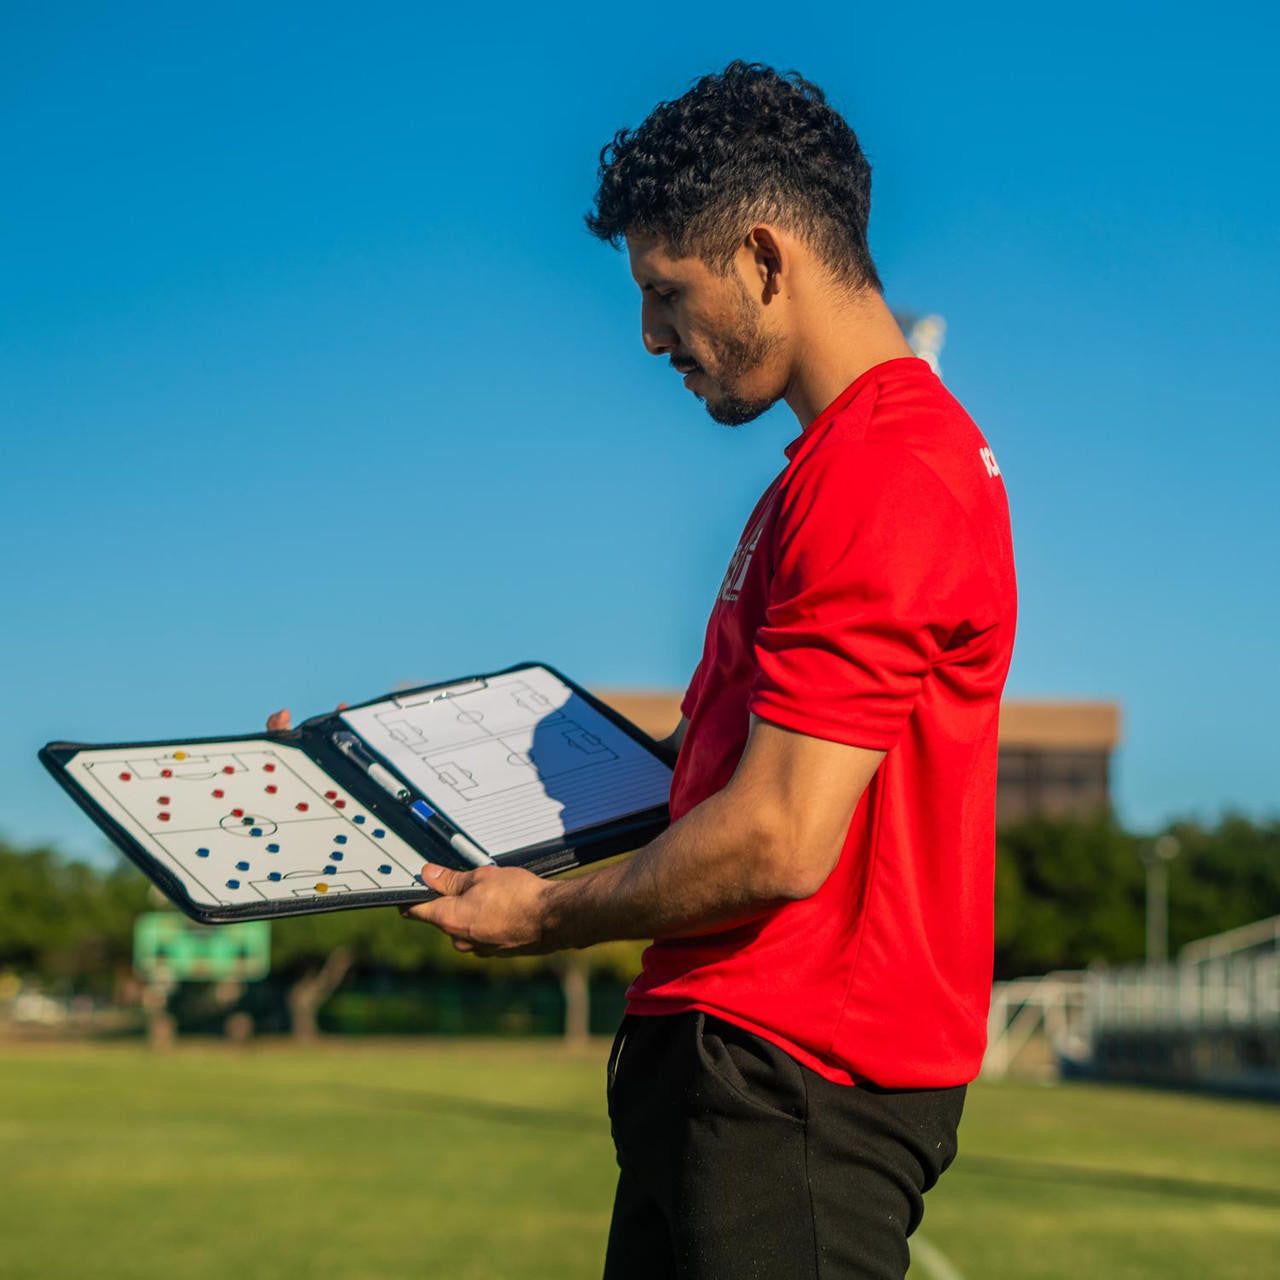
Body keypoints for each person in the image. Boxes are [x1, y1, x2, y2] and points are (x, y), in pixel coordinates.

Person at [274, 61, 1016, 1280]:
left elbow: (776, 834)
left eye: (666, 291)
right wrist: (381, 781)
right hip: (736, 1067)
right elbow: (700, 775)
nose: (648, 334)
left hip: (793, 1080)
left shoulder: (889, 468)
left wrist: (543, 913)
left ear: (765, 259)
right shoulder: (823, 471)